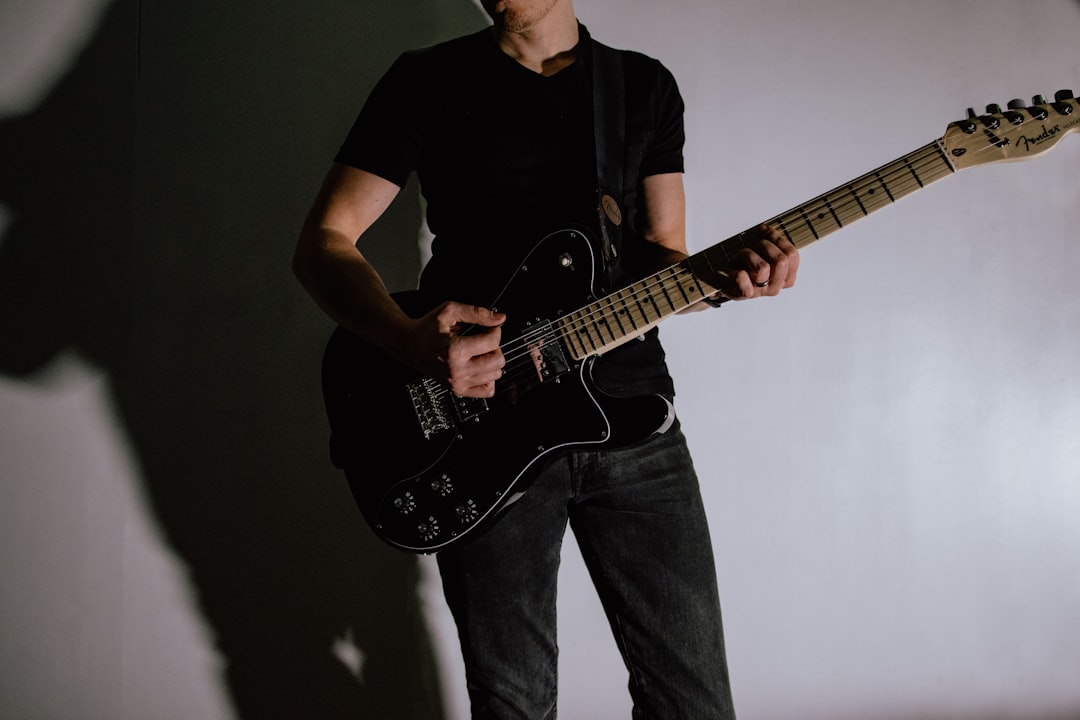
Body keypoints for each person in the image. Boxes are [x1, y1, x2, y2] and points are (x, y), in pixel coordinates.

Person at [293, 0, 799, 716]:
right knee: (514, 704)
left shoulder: (641, 86)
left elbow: (665, 263)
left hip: (631, 420)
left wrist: (728, 281)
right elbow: (323, 243)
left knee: (695, 704)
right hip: (483, 424)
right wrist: (407, 338)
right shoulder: (426, 81)